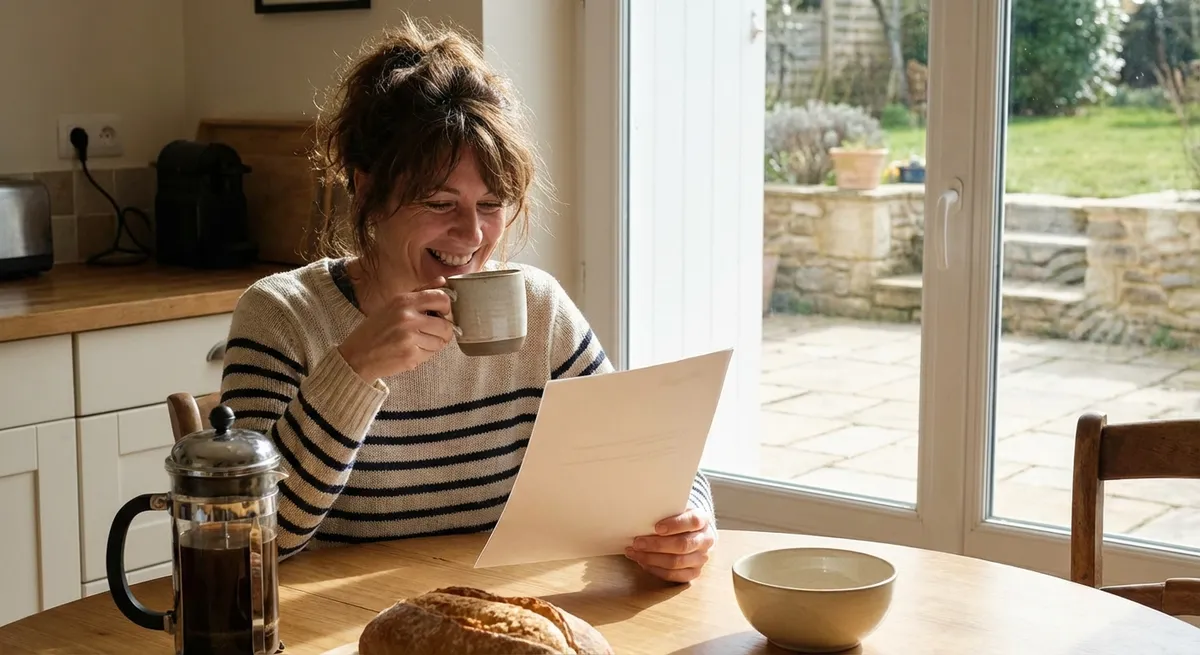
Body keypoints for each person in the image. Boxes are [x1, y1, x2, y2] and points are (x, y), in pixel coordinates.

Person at [219, 16, 716, 583]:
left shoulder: (537, 307)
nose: (473, 235)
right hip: (338, 621)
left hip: (503, 610)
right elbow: (251, 538)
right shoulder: (282, 315)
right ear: (366, 187)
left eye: (491, 204)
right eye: (439, 203)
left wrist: (687, 522)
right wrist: (354, 369)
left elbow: (643, 455)